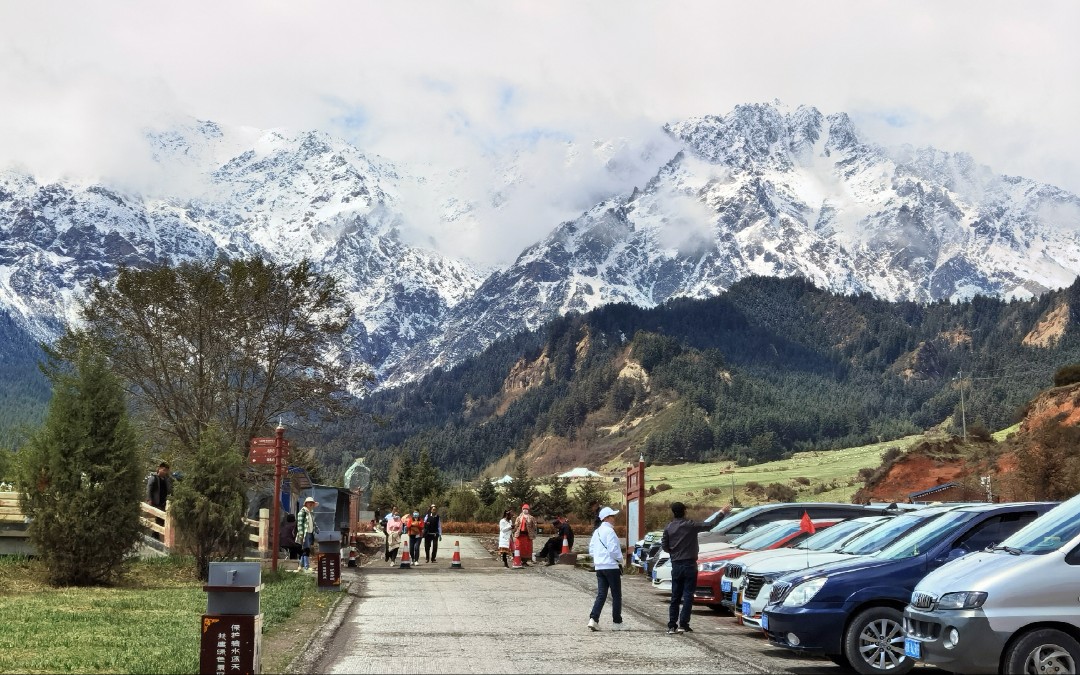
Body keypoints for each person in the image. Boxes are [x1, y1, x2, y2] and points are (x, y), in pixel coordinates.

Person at [660, 501, 715, 634]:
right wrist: (722, 513)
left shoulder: (669, 527)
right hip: (690, 563)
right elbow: (709, 525)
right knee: (688, 595)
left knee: (675, 596)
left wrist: (673, 551)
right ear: (684, 511)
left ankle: (671, 625)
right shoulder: (690, 525)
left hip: (676, 564)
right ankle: (683, 624)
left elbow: (664, 545)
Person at [588, 506, 625, 631]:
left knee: (601, 594)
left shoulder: (597, 532)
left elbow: (591, 550)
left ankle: (593, 619)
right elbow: (613, 549)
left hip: (599, 567)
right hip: (611, 566)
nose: (614, 518)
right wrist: (621, 560)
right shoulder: (610, 532)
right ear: (607, 518)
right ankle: (617, 622)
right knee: (616, 595)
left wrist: (599, 559)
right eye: (612, 516)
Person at [295, 495, 320, 573]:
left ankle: (300, 566)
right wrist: (301, 534)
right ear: (306, 504)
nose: (311, 505)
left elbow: (313, 523)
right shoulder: (302, 512)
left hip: (310, 533)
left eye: (312, 503)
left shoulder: (310, 513)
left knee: (305, 550)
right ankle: (306, 567)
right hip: (305, 534)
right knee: (306, 550)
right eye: (309, 503)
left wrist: (317, 529)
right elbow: (300, 524)